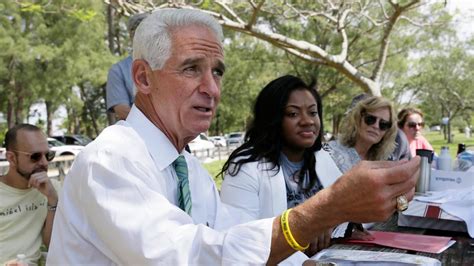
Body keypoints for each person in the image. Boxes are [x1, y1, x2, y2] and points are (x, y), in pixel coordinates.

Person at [47, 9, 420, 265]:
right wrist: (329, 208)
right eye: (192, 68)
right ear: (143, 78)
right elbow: (191, 256)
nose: (212, 88)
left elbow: (233, 232)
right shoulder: (110, 160)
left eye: (218, 72)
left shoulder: (188, 168)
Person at [220, 75, 341, 259]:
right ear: (273, 119)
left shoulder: (322, 158)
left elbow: (344, 211)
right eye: (293, 114)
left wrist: (327, 225)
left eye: (313, 112)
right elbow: (240, 243)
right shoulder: (245, 168)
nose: (307, 121)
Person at [0, 124, 60, 265]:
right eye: (35, 156)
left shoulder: (52, 190)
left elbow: (53, 245)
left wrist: (52, 200)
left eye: (48, 155)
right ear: (12, 158)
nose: (44, 162)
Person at [328, 95, 398, 174]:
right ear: (358, 119)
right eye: (370, 119)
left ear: (387, 131)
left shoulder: (386, 162)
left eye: (383, 124)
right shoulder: (331, 151)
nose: (376, 126)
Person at [106, 13, 148, 122]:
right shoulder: (118, 71)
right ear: (131, 36)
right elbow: (122, 111)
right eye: (139, 32)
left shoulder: (167, 64)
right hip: (137, 133)